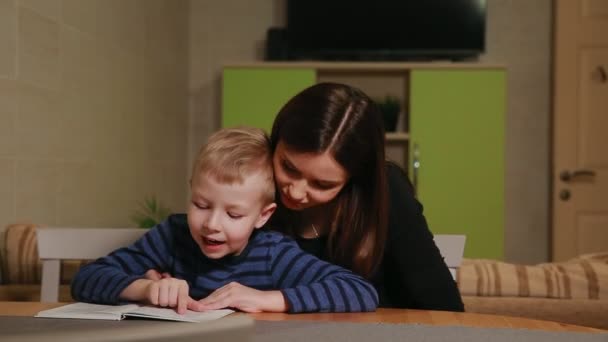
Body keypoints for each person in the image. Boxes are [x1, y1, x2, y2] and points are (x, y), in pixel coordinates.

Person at [71, 127, 378, 314]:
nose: (212, 224)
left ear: (264, 215)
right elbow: (87, 279)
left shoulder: (272, 252)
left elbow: (359, 291)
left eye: (233, 214)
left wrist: (265, 299)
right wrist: (145, 290)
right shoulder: (172, 235)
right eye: (201, 205)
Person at [267, 82, 464, 311]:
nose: (296, 192)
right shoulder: (252, 177)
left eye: (323, 184)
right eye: (288, 168)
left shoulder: (388, 192)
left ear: (356, 178)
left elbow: (444, 306)